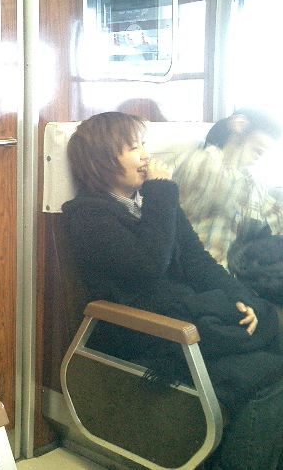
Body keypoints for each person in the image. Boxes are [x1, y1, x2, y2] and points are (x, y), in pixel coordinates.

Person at [61, 111, 283, 470]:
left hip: (185, 316)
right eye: (133, 147)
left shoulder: (151, 204)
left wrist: (244, 300)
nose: (145, 155)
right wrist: (162, 191)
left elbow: (199, 263)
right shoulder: (88, 215)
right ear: (101, 160)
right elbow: (149, 265)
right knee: (272, 375)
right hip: (150, 335)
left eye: (143, 145)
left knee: (271, 333)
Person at [172, 109, 283, 269]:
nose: (270, 143)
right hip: (191, 270)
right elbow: (218, 188)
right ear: (240, 125)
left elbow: (277, 217)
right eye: (268, 133)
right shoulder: (200, 161)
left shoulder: (250, 181)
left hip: (227, 272)